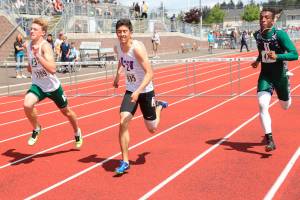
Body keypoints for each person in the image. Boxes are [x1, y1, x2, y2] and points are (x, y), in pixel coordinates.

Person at [113, 19, 168, 174]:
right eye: (119, 31)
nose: (122, 34)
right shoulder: (118, 46)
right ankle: (124, 161)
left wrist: (139, 91)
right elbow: (121, 61)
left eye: (125, 31)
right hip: (130, 91)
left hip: (145, 91)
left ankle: (158, 106)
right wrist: (117, 76)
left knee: (152, 128)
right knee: (122, 121)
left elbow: (150, 73)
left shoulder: (137, 48)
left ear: (130, 32)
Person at [24, 18, 83, 148]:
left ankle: (77, 131)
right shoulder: (28, 45)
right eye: (31, 28)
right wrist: (28, 56)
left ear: (42, 33)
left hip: (53, 87)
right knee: (27, 104)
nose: (31, 30)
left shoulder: (45, 46)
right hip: (38, 85)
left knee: (67, 112)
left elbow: (52, 69)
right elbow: (30, 69)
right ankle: (37, 128)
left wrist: (38, 56)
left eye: (35, 29)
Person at [251, 8, 298, 152]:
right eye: (261, 17)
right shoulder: (257, 35)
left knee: (285, 106)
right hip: (265, 75)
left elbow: (294, 54)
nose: (262, 20)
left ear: (273, 20)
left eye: (266, 18)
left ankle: (287, 88)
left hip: (280, 76)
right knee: (262, 104)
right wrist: (258, 60)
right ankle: (270, 140)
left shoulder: (280, 35)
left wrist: (278, 56)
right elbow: (262, 50)